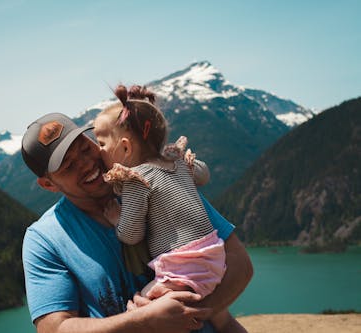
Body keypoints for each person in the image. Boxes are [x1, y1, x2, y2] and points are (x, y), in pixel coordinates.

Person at [21, 112, 253, 333]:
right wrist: (144, 323)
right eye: (69, 166)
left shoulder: (156, 178)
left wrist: (187, 315)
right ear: (48, 185)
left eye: (85, 147)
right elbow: (54, 327)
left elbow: (240, 264)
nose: (86, 163)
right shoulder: (44, 240)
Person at [93, 84, 246, 333]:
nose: (97, 151)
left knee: (142, 311)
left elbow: (132, 235)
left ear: (125, 147)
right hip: (213, 255)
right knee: (222, 320)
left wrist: (116, 219)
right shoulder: (175, 161)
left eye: (101, 143)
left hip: (183, 266)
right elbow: (203, 175)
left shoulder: (137, 179)